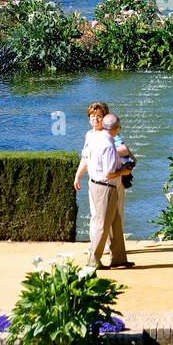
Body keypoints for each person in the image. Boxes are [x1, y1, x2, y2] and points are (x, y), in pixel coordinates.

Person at [73, 113, 131, 269]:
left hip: (97, 184)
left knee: (115, 223)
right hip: (106, 187)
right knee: (102, 224)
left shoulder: (95, 138)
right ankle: (94, 261)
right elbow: (109, 172)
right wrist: (123, 171)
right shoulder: (108, 145)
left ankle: (119, 258)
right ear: (116, 128)